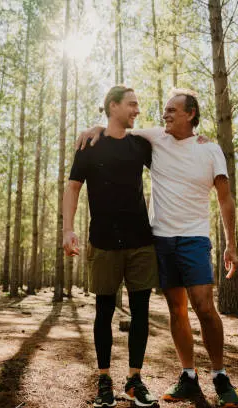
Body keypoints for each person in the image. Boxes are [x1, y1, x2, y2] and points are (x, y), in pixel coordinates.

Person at [78, 89, 238, 408]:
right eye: (164, 110)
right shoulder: (155, 138)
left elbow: (225, 198)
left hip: (194, 238)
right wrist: (95, 128)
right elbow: (117, 127)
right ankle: (188, 376)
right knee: (176, 309)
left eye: (171, 110)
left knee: (204, 307)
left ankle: (220, 375)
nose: (164, 115)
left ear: (190, 114)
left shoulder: (210, 150)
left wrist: (231, 244)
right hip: (160, 239)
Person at [62, 85, 160, 407]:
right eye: (132, 104)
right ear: (113, 106)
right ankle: (104, 380)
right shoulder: (89, 145)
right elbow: (73, 188)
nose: (137, 110)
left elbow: (170, 145)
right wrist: (67, 230)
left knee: (141, 311)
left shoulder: (139, 146)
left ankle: (134, 380)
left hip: (140, 241)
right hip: (102, 240)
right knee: (103, 312)